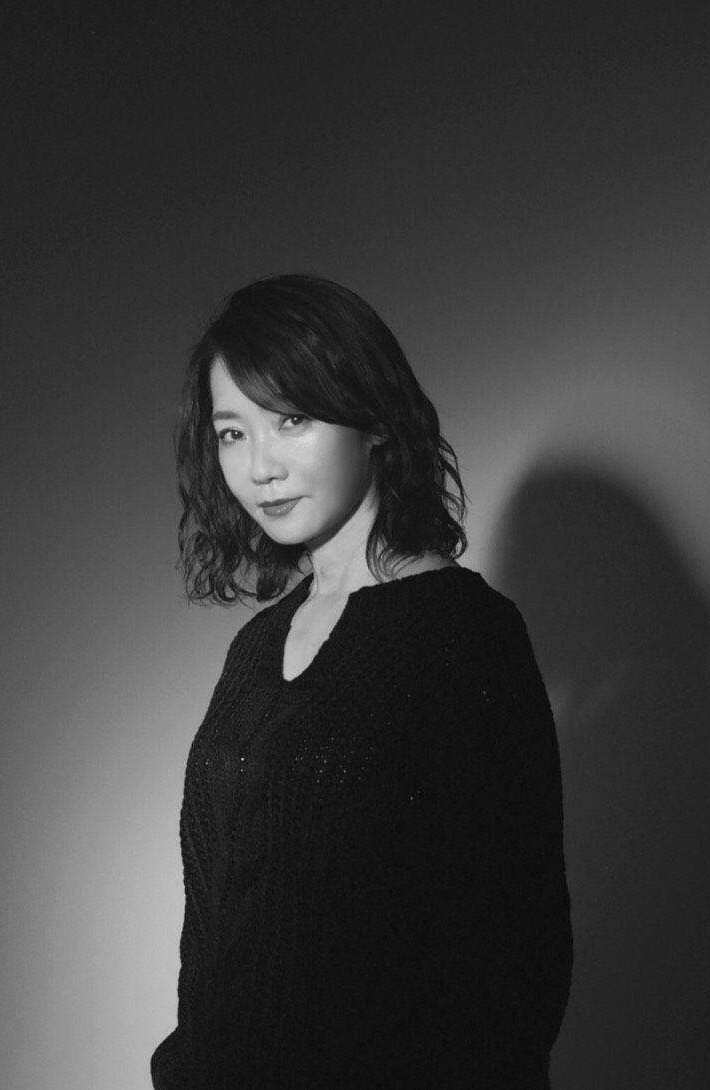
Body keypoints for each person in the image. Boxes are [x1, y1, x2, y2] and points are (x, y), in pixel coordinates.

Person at [151, 274, 572, 1089]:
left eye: (291, 420)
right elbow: (219, 934)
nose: (259, 467)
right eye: (232, 433)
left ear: (373, 419)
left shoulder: (465, 638)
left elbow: (520, 964)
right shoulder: (256, 648)